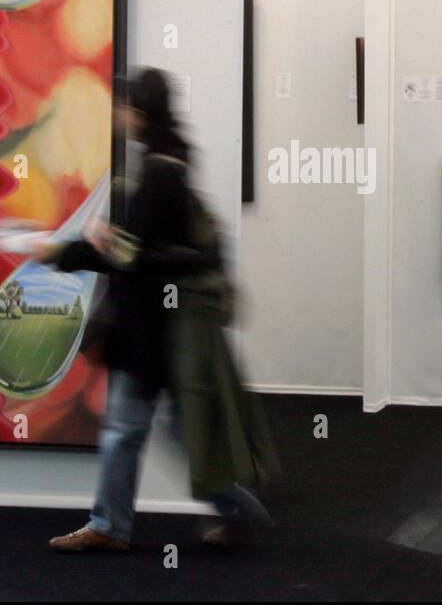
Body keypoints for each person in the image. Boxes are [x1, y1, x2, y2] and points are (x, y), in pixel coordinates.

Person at [44, 68, 275, 551]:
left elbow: (137, 257)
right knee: (172, 429)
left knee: (130, 429)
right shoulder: (167, 162)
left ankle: (111, 527)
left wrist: (69, 253)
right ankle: (235, 511)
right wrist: (111, 244)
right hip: (164, 326)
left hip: (150, 327)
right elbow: (151, 249)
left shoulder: (159, 171)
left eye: (124, 104)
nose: (118, 113)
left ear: (140, 111)